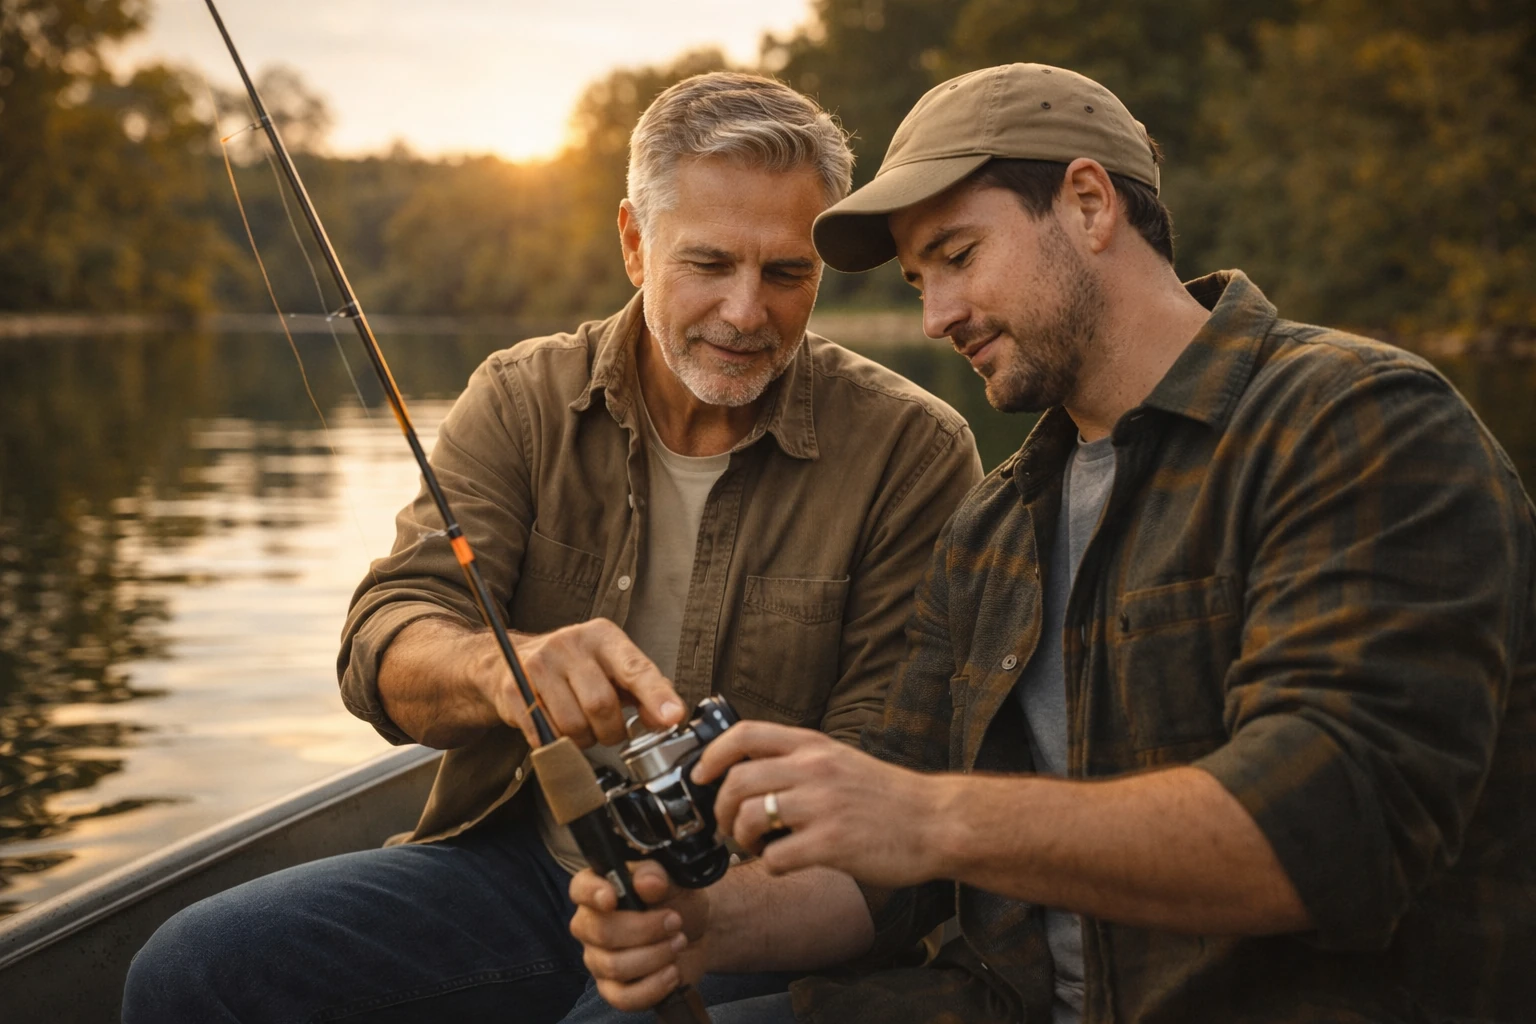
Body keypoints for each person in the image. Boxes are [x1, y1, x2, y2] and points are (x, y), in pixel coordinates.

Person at [569, 63, 1536, 1023]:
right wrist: (704, 926)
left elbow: (1331, 830)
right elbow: (888, 884)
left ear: (1086, 203)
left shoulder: (1358, 423)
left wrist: (928, 816)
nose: (936, 315)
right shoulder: (993, 527)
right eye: (917, 281)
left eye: (957, 256)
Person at [121, 71, 983, 1023]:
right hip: (523, 870)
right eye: (708, 264)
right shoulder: (519, 397)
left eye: (787, 274)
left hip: (763, 910)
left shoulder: (914, 449)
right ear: (632, 244)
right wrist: (510, 667)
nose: (748, 313)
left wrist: (700, 911)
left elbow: (886, 789)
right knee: (190, 968)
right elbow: (383, 639)